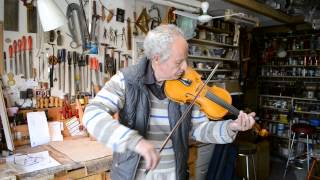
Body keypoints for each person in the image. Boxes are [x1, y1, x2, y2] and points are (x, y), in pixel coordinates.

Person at [82, 24, 255, 180]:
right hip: (133, 175)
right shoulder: (126, 80)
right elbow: (92, 114)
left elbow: (199, 129)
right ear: (156, 59)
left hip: (174, 174)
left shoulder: (188, 84)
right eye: (179, 62)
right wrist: (134, 141)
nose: (185, 68)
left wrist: (231, 127)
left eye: (186, 60)